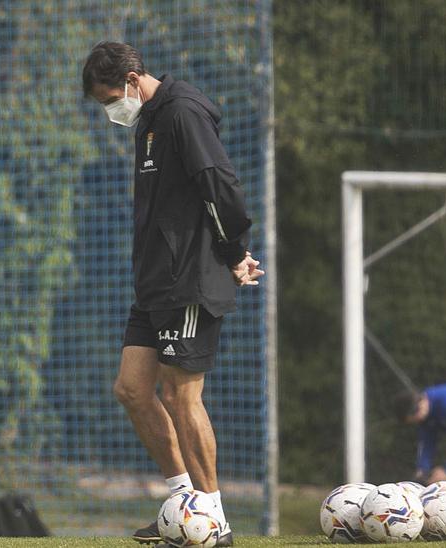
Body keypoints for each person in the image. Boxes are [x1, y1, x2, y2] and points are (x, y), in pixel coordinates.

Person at [82, 42, 264, 546]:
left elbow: (219, 184)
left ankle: (215, 519)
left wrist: (234, 253)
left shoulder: (183, 113)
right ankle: (185, 503)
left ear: (134, 81)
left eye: (110, 99)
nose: (110, 111)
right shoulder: (149, 123)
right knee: (132, 390)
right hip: (155, 281)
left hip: (188, 279)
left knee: (182, 396)